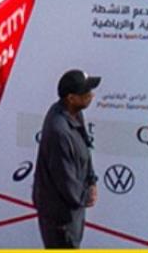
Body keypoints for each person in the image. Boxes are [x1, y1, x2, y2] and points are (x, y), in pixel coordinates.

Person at [33, 69, 100, 249]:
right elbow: (65, 179)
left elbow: (85, 147)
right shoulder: (59, 132)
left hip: (72, 211)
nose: (92, 95)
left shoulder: (74, 113)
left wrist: (92, 180)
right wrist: (85, 196)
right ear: (71, 98)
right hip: (61, 218)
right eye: (86, 92)